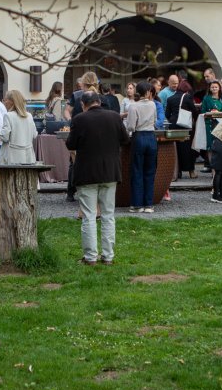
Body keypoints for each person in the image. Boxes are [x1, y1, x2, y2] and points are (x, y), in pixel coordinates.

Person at [66, 91, 130, 265]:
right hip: (110, 172)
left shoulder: (79, 119)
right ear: (99, 102)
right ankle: (108, 256)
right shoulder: (114, 117)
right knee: (108, 215)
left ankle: (90, 257)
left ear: (83, 104)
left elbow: (71, 144)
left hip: (86, 173)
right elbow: (125, 139)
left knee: (89, 216)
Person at [124, 80, 159, 213]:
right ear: (148, 92)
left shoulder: (133, 106)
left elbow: (131, 126)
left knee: (137, 171)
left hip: (138, 137)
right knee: (150, 171)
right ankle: (148, 204)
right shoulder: (153, 104)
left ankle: (137, 205)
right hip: (151, 137)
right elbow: (155, 121)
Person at [165, 80, 198, 179]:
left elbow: (167, 114)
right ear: (186, 90)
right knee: (187, 149)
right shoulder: (187, 97)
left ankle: (177, 172)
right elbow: (194, 111)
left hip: (173, 126)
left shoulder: (170, 98)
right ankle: (191, 171)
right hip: (184, 125)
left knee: (176, 149)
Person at [0, 89, 39, 164]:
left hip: (12, 157)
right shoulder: (29, 116)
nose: (4, 103)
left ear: (11, 101)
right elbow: (34, 134)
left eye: (5, 100)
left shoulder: (8, 116)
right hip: (28, 157)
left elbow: (5, 137)